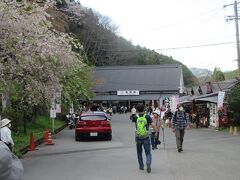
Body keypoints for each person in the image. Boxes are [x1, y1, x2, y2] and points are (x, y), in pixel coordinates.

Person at [132, 103, 152, 173]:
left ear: (137, 109)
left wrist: (133, 113)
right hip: (146, 137)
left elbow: (131, 119)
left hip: (138, 137)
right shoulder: (147, 116)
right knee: (148, 152)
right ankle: (148, 161)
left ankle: (141, 166)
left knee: (139, 152)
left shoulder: (135, 117)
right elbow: (151, 124)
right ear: (144, 108)